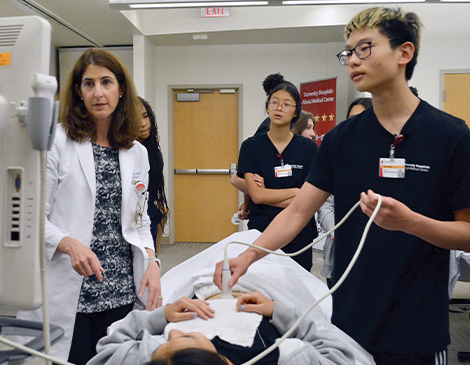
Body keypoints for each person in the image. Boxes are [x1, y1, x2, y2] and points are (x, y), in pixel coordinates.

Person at [214, 7, 470, 365]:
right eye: (348, 52)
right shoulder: (340, 140)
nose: (352, 60)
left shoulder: (450, 136)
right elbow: (299, 211)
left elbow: (467, 232)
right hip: (350, 315)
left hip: (417, 323)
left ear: (404, 53)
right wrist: (248, 255)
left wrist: (411, 223)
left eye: (364, 48)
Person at [17, 49, 162, 364]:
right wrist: (68, 244)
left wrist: (152, 262)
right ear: (78, 93)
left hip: (123, 290)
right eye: (89, 84)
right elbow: (30, 217)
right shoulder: (57, 142)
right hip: (72, 294)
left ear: (121, 89)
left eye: (106, 82)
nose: (98, 92)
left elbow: (140, 221)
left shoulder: (136, 151)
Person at [87, 230, 375, 365]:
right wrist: (279, 311)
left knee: (233, 250)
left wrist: (161, 317)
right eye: (183, 339)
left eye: (166, 340)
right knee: (263, 252)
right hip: (265, 292)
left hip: (198, 291)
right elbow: (347, 355)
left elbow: (107, 351)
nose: (171, 333)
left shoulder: (162, 357)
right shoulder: (283, 357)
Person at [232, 80, 318, 271]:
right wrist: (297, 192)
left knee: (297, 293)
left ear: (296, 112)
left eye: (287, 104)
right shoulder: (251, 147)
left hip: (298, 233)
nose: (279, 107)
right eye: (274, 102)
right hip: (261, 232)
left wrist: (270, 195)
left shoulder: (308, 148)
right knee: (260, 290)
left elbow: (310, 200)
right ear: (267, 107)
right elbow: (257, 195)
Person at [138, 97, 169, 255]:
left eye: (145, 116)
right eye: (136, 118)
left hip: (150, 215)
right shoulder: (123, 154)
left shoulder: (153, 152)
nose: (143, 123)